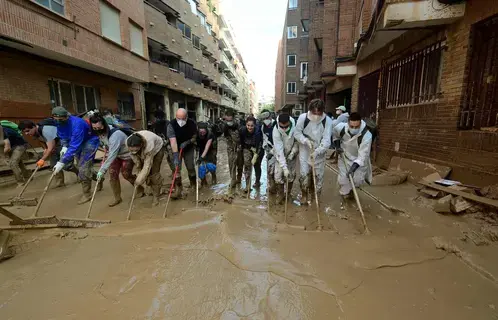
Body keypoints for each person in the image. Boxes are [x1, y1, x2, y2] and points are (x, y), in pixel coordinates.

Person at [51, 106, 102, 204]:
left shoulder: (77, 124)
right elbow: (63, 136)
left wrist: (61, 162)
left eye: (60, 120)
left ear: (66, 116)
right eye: (56, 120)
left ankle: (87, 194)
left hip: (89, 141)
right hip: (76, 142)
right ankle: (99, 179)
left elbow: (74, 146)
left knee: (83, 168)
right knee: (83, 167)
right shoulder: (58, 123)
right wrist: (65, 146)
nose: (58, 122)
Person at [90, 113, 142, 207]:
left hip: (127, 155)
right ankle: (117, 198)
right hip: (115, 154)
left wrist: (102, 170)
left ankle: (140, 188)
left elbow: (112, 155)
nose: (97, 130)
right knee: (113, 174)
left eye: (99, 127)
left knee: (126, 174)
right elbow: (107, 146)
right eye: (95, 128)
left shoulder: (115, 135)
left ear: (104, 124)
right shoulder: (100, 133)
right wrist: (106, 146)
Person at [294, 99, 333, 205]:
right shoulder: (303, 118)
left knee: (318, 176)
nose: (316, 115)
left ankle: (316, 196)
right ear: (310, 110)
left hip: (319, 153)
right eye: (314, 113)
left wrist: (317, 152)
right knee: (304, 174)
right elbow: (297, 133)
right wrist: (305, 141)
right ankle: (304, 195)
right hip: (305, 150)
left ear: (322, 111)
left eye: (318, 113)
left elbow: (326, 140)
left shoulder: (327, 121)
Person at [18, 119, 79, 187]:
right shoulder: (35, 133)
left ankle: (79, 174)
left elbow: (50, 148)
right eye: (24, 132)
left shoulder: (46, 130)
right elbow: (41, 141)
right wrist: (45, 149)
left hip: (63, 143)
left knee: (67, 166)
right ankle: (60, 182)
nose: (26, 133)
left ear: (34, 126)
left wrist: (42, 159)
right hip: (53, 144)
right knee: (53, 165)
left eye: (27, 131)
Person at [333, 112, 373, 199]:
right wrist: (337, 146)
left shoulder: (367, 135)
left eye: (356, 127)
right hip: (344, 156)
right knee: (343, 180)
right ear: (348, 123)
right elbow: (335, 136)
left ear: (360, 123)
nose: (354, 129)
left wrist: (353, 168)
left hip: (358, 160)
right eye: (352, 126)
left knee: (357, 180)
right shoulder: (341, 128)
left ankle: (351, 190)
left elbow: (363, 156)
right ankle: (345, 196)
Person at [126, 131, 164, 206]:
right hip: (142, 150)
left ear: (141, 145)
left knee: (153, 174)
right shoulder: (127, 142)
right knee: (143, 173)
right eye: (131, 150)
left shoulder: (149, 145)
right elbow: (136, 160)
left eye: (135, 150)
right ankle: (150, 189)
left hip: (157, 149)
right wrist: (139, 170)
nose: (133, 152)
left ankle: (156, 196)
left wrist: (138, 180)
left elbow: (147, 165)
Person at [167, 108, 197, 199]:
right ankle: (178, 189)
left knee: (190, 166)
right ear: (176, 117)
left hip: (188, 148)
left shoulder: (192, 123)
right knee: (176, 168)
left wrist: (188, 142)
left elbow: (195, 137)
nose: (180, 121)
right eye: (178, 118)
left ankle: (193, 185)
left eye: (183, 118)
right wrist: (176, 155)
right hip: (175, 148)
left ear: (186, 117)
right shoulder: (171, 125)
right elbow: (173, 141)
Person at [272, 113, 298, 204]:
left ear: (289, 123)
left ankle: (288, 194)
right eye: (281, 127)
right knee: (278, 176)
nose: (283, 129)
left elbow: (297, 142)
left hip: (291, 153)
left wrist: (293, 152)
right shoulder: (275, 130)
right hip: (280, 155)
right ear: (278, 123)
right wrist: (284, 167)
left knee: (291, 175)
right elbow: (279, 149)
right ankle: (281, 194)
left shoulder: (295, 127)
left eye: (286, 126)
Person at [239, 117, 263, 193]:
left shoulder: (258, 132)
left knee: (256, 165)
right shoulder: (242, 130)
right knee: (247, 165)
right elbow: (241, 142)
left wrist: (256, 155)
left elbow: (259, 144)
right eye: (248, 125)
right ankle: (247, 185)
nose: (250, 127)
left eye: (252, 126)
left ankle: (257, 181)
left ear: (254, 125)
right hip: (247, 148)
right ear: (246, 125)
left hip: (257, 149)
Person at [223, 110, 243, 189]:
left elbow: (243, 136)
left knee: (240, 163)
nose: (228, 122)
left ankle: (239, 177)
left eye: (230, 120)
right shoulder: (225, 126)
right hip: (230, 147)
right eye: (227, 120)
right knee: (231, 163)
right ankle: (233, 180)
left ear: (234, 118)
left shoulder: (239, 125)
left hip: (240, 146)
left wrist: (240, 146)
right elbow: (225, 136)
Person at [259, 110, 277, 194]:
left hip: (279, 150)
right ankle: (272, 187)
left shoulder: (276, 124)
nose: (266, 120)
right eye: (264, 118)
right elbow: (264, 139)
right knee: (270, 170)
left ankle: (280, 189)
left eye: (267, 118)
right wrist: (265, 147)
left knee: (279, 170)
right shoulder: (263, 127)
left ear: (270, 117)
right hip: (269, 150)